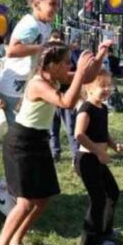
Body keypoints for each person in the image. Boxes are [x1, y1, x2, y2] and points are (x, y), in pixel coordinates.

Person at [0, 43, 97, 245]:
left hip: (38, 141)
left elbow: (87, 77)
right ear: (53, 65)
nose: (70, 66)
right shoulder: (38, 84)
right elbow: (66, 103)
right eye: (67, 62)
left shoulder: (54, 77)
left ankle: (16, 242)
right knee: (25, 202)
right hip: (21, 143)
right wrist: (79, 73)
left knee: (42, 199)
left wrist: (100, 56)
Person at [0, 0, 62, 213]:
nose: (55, 8)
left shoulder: (44, 24)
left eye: (57, 3)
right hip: (14, 91)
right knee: (21, 146)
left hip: (26, 90)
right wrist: (44, 46)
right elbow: (12, 50)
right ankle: (3, 189)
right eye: (52, 3)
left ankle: (11, 188)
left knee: (27, 143)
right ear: (36, 4)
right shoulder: (30, 24)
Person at [74, 69, 123, 245]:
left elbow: (103, 133)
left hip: (98, 158)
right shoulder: (86, 109)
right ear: (88, 88)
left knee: (112, 192)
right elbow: (79, 135)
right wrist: (98, 152)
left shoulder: (102, 108)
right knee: (98, 199)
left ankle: (105, 230)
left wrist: (113, 145)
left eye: (109, 85)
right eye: (102, 86)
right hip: (87, 160)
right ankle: (89, 241)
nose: (107, 89)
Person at [49, 30, 80, 162]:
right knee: (51, 128)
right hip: (51, 96)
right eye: (52, 42)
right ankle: (54, 153)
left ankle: (76, 155)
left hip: (66, 95)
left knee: (71, 127)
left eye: (58, 41)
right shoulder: (46, 58)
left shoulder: (69, 56)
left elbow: (76, 71)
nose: (55, 45)